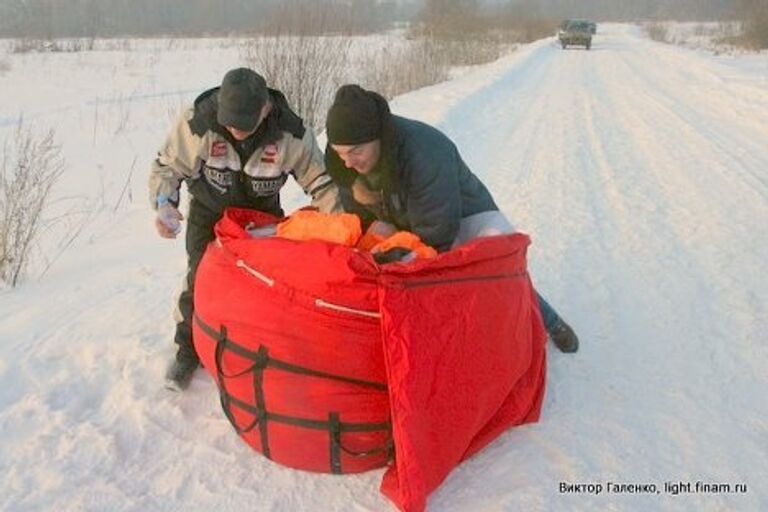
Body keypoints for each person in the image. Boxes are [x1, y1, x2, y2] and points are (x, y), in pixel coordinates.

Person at [324, 84, 579, 353]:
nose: (347, 162)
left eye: (355, 152)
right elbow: (358, 217)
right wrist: (375, 229)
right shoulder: (344, 161)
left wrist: (409, 253)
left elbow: (438, 233)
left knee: (500, 272)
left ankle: (552, 322)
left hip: (465, 215)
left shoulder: (425, 150)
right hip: (406, 219)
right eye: (340, 152)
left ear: (376, 137)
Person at [149, 68, 341, 391]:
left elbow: (323, 183)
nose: (235, 130)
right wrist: (165, 204)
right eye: (230, 123)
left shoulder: (289, 132)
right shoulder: (199, 122)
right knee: (200, 277)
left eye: (244, 124)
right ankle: (187, 351)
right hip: (209, 210)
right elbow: (167, 167)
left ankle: (259, 349)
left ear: (265, 109)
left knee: (265, 286)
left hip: (260, 215)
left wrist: (340, 230)